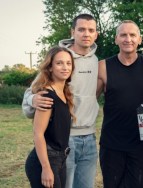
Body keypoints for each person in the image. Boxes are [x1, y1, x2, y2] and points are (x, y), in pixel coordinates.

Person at [22, 14, 99, 188]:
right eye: (81, 29)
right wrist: (32, 98)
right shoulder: (60, 57)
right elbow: (35, 89)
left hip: (90, 139)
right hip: (65, 139)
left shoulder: (97, 62)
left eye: (91, 30)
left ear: (96, 34)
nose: (86, 34)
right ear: (73, 32)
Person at [97, 20, 143, 188]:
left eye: (132, 35)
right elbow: (88, 97)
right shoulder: (103, 66)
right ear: (116, 39)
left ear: (140, 39)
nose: (128, 39)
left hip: (140, 144)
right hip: (111, 143)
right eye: (123, 35)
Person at [25, 46, 75, 188]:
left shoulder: (64, 93)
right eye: (59, 63)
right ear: (50, 67)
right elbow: (38, 133)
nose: (65, 67)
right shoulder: (47, 96)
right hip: (45, 161)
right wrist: (46, 168)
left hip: (61, 158)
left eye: (68, 63)